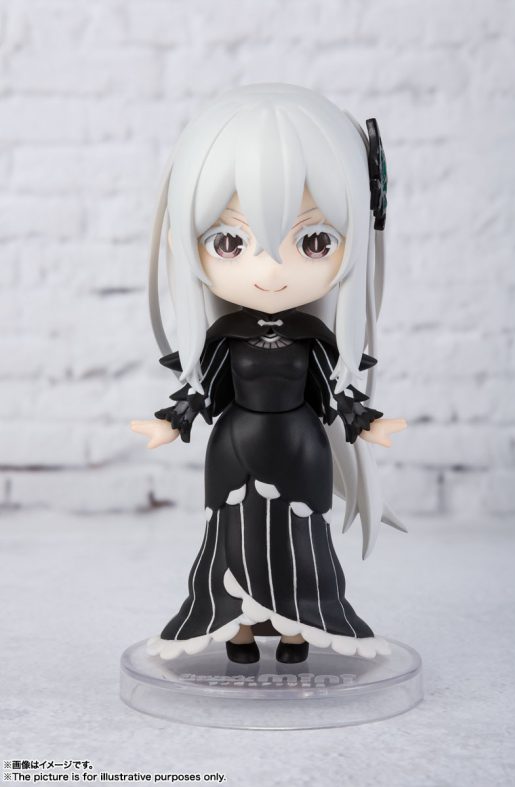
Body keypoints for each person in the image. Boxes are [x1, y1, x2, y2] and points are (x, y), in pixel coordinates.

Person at [131, 84, 407, 664]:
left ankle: (296, 628)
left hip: (301, 447)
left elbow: (335, 390)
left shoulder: (313, 337)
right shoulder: (225, 336)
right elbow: (202, 389)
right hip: (234, 448)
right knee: (230, 537)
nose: (272, 269)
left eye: (315, 240)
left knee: (301, 539)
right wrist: (171, 422)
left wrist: (366, 422)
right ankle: (238, 628)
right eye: (230, 241)